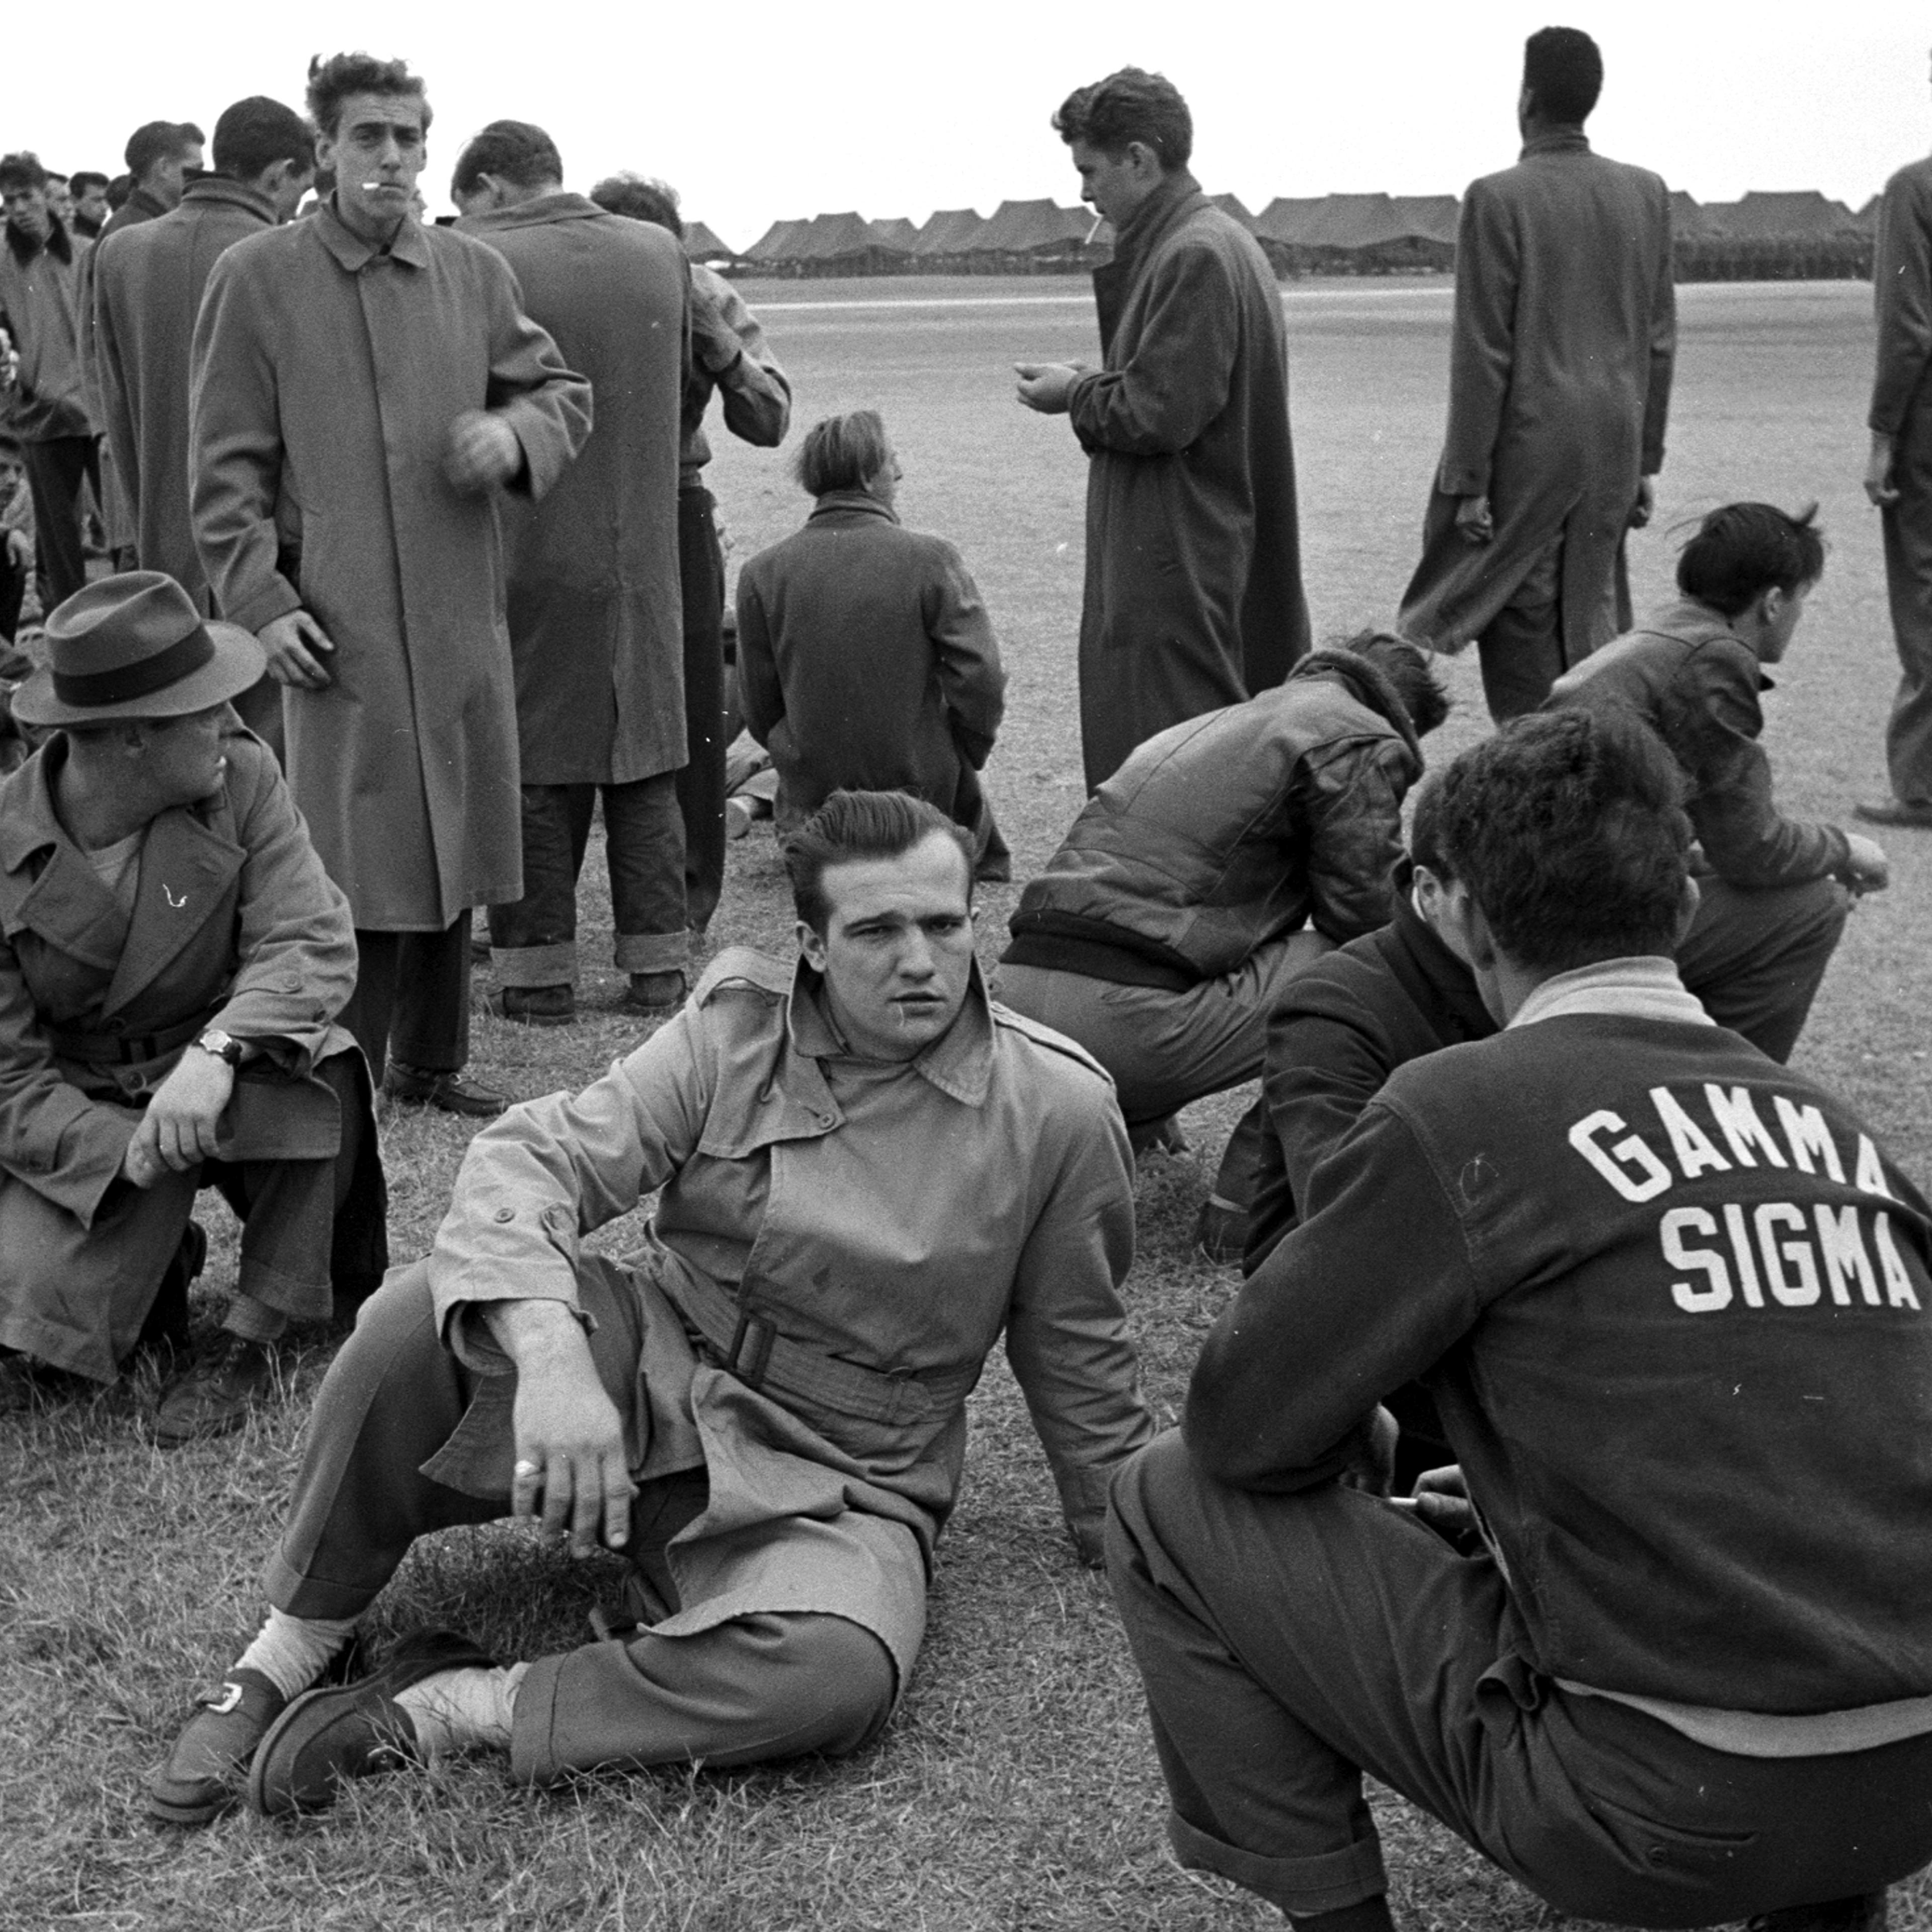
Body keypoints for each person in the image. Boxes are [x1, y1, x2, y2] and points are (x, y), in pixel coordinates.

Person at [147, 787, 1152, 1827]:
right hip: (654, 1365)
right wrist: (552, 1360)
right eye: (878, 930)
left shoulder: (1058, 1111)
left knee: (833, 1674)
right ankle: (297, 1642)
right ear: (810, 942)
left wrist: (1131, 1529)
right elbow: (531, 1160)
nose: (921, 961)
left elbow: (1079, 1348)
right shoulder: (734, 1033)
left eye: (946, 926)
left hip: (848, 1472)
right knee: (415, 1323)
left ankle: (457, 1702)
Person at [1106, 708, 1932, 1932]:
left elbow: (1240, 1430)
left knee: (1166, 1493)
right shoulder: (1840, 1134)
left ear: (1452, 908)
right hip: (1913, 1791)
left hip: (1661, 1812)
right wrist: (1510, 1511)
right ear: (1684, 894)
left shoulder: (1465, 1106)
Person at [190, 53, 591, 1115]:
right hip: (338, 617)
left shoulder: (473, 276)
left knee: (451, 824)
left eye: (410, 137)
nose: (394, 158)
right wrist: (265, 609)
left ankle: (433, 1062)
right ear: (323, 149)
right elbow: (224, 476)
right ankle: (341, 1074)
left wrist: (512, 433)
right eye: (369, 136)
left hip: (457, 608)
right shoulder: (258, 278)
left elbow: (559, 389)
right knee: (348, 848)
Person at [0, 573, 386, 1441]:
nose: (228, 719)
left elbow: (310, 939)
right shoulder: (5, 843)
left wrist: (216, 1052)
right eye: (201, 707)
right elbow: (8, 1079)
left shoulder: (241, 778)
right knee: (52, 1344)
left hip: (225, 1076)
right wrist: (126, 1149)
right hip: (88, 1112)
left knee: (317, 1066)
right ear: (132, 737)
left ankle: (255, 1330)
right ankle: (154, 1259)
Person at [1000, 633, 1447, 1260]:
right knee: (1375, 968)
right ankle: (1244, 1209)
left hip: (1017, 1014)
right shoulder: (1359, 736)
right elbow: (1366, 913)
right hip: (1123, 1027)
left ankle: (1138, 1130)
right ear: (1403, 720)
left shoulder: (1221, 723)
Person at [453, 122, 691, 1026]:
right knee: (645, 758)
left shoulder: (472, 256)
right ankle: (659, 968)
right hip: (643, 550)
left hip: (526, 544)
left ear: (489, 188)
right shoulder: (656, 251)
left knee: (538, 765)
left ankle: (537, 975)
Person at [1015, 66, 1309, 794]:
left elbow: (1158, 413)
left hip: (1179, 553)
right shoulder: (1211, 242)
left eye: (1091, 170)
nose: (1085, 192)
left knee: (1171, 765)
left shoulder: (1195, 254)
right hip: (1195, 545)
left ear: (1140, 159)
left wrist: (1075, 392)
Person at [1399, 27, 1675, 722]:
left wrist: (1468, 483)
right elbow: (1658, 340)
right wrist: (1644, 459)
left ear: (1526, 99)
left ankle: (1552, 804)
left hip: (1529, 456)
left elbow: (1484, 353)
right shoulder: (1646, 193)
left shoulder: (1496, 198)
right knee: (1594, 624)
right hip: (1612, 446)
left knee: (1525, 644)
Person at [1546, 501, 1888, 1061]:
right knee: (1816, 904)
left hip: (1550, 895)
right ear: (1775, 603)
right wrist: (1847, 847)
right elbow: (1754, 849)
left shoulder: (1667, 634)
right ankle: (1721, 1086)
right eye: (1803, 598)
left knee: (1716, 879)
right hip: (1575, 930)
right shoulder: (1715, 657)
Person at [591, 171, 793, 938]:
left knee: (694, 710)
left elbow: (771, 420)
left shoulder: (706, 293)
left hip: (672, 499)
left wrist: (721, 348)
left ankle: (683, 903)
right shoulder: (554, 286)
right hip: (568, 507)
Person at [91, 96, 315, 750]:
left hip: (160, 549)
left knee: (186, 744)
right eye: (297, 191)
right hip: (266, 558)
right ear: (276, 176)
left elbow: (115, 405)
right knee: (268, 760)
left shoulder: (119, 253)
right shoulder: (284, 256)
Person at [736, 410, 1010, 876]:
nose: (899, 473)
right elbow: (980, 679)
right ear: (866, 475)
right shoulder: (930, 558)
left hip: (814, 801)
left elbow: (760, 707)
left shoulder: (762, 572)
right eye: (892, 461)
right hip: (922, 794)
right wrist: (964, 752)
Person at [1861, 84, 1932, 830]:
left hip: (1929, 433)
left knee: (1924, 595)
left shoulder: (1915, 189)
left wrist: (1884, 436)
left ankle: (1923, 783)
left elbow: (1907, 329)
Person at [1, 150, 96, 608]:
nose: (18, 208)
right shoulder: (2, 262)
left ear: (46, 197)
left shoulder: (85, 252)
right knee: (59, 543)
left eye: (25, 197)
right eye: (8, 200)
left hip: (97, 410)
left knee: (123, 527)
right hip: (42, 412)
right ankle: (70, 634)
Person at [97, 121, 205, 238]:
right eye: (196, 169)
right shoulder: (139, 232)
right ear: (164, 168)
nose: (202, 178)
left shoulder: (127, 223)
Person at [69, 172, 111, 239]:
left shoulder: (105, 234)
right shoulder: (70, 239)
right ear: (75, 201)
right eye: (97, 200)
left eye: (107, 199)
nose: (105, 207)